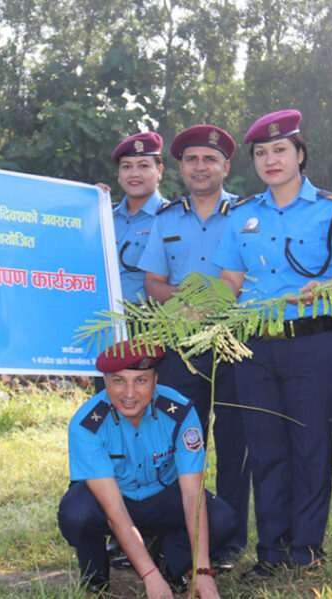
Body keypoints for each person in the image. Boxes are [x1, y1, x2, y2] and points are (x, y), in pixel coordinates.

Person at [212, 109, 332, 577]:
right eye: (261, 153)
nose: (270, 160)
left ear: (300, 154)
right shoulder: (241, 216)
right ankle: (271, 550)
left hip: (312, 343)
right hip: (253, 348)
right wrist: (201, 305)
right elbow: (229, 280)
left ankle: (306, 549)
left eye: (280, 150)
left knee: (311, 446)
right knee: (265, 449)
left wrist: (326, 293)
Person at [137, 125, 253, 557]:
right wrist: (189, 305)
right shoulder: (165, 219)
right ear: (181, 168)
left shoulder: (246, 215)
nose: (200, 167)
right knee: (178, 442)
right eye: (191, 160)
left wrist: (210, 305)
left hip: (236, 345)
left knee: (236, 443)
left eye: (209, 159)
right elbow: (152, 282)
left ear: (226, 166)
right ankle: (177, 539)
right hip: (182, 350)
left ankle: (229, 542)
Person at [57, 341, 235, 598]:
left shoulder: (180, 413)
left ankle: (171, 564)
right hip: (116, 500)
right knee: (76, 513)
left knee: (222, 519)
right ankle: (95, 575)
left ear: (155, 381)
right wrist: (148, 577)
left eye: (140, 380)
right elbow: (114, 510)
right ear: (105, 382)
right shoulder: (87, 425)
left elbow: (192, 497)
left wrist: (203, 569)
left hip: (163, 497)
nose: (129, 393)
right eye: (119, 381)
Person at [109, 132, 170, 302]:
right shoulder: (105, 218)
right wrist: (91, 200)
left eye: (143, 166)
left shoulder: (171, 218)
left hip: (148, 323)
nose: (134, 174)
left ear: (159, 170)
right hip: (100, 322)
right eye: (126, 166)